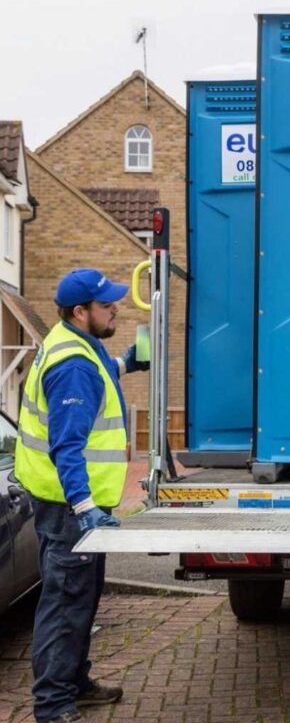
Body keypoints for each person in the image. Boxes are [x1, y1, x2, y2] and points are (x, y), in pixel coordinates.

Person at [15, 268, 149, 723]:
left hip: (68, 504)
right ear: (80, 311)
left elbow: (98, 375)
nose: (116, 310)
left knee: (82, 598)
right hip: (71, 508)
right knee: (66, 602)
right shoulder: (73, 365)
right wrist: (85, 507)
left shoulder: (76, 345)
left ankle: (74, 683)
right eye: (107, 305)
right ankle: (53, 704)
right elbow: (67, 445)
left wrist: (127, 362)